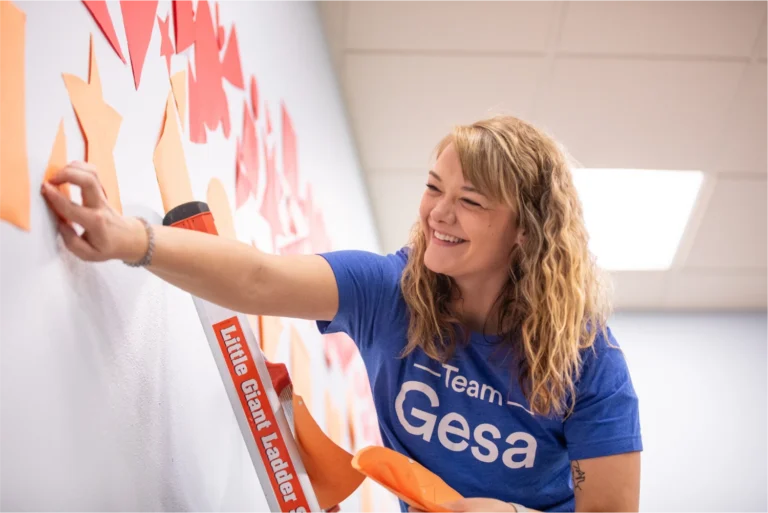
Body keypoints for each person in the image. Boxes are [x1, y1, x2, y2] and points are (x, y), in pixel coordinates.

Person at [41, 115, 642, 513]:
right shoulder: (393, 291)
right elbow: (259, 277)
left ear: (524, 232)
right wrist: (129, 241)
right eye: (434, 188)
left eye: (470, 201)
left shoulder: (587, 360)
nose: (438, 213)